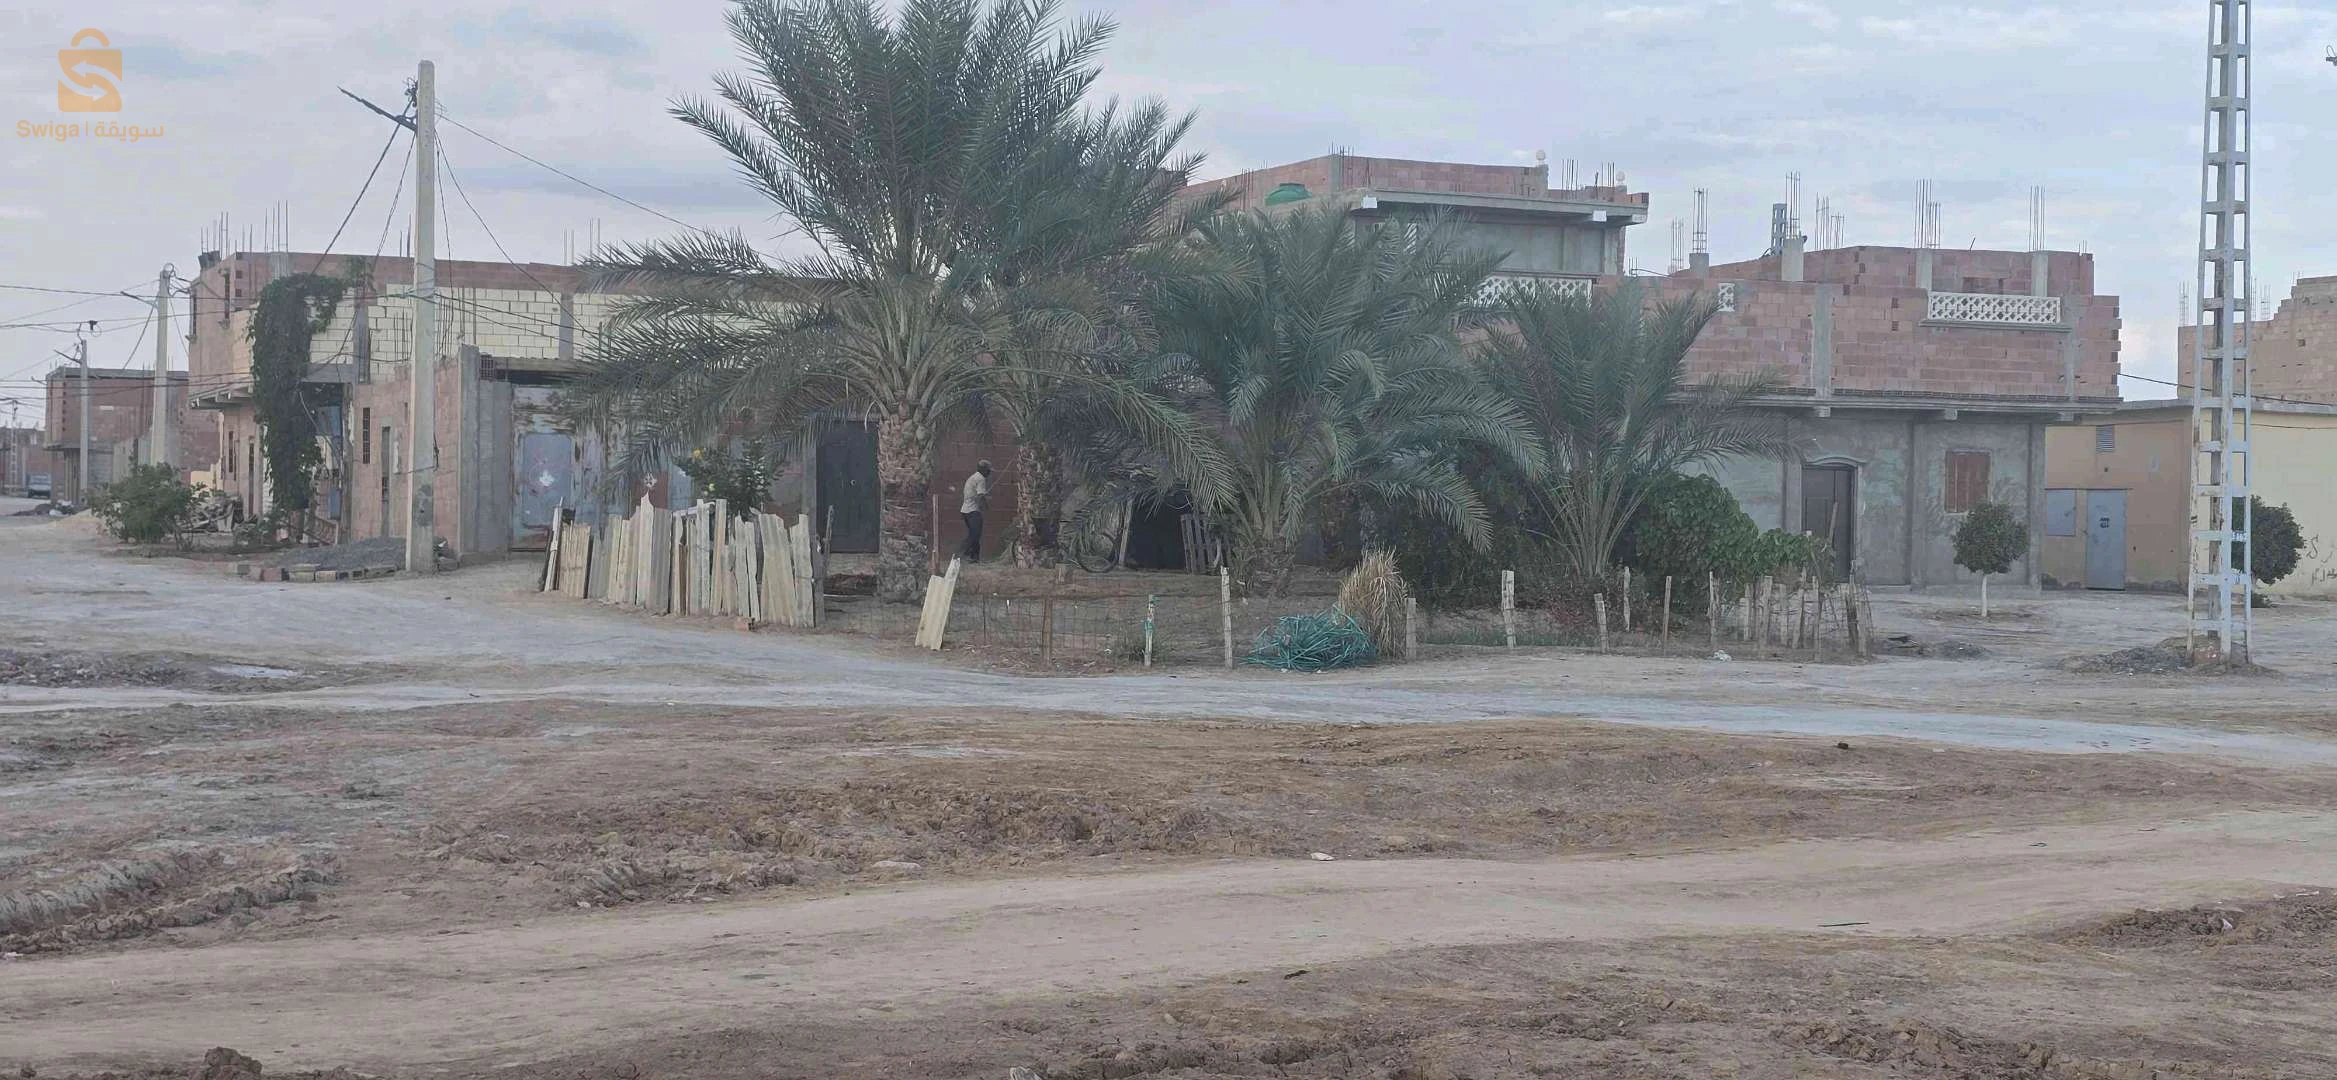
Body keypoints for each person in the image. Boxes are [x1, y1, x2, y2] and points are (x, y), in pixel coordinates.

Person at [959, 459, 993, 561]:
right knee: (975, 535)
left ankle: (975, 557)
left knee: (974, 534)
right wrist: (986, 506)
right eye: (988, 470)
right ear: (984, 470)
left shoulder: (973, 477)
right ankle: (962, 553)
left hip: (965, 510)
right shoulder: (981, 479)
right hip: (972, 511)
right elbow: (980, 496)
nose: (989, 473)